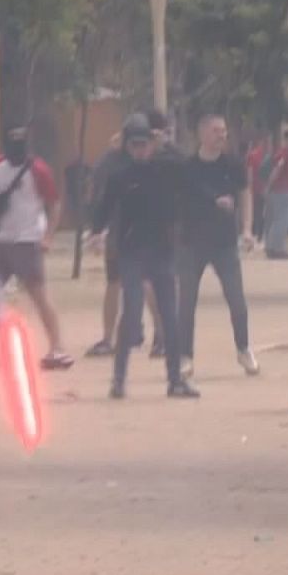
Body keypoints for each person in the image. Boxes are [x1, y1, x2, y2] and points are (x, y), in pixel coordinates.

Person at [89, 115, 198, 400]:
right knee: (132, 313)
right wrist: (96, 232)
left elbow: (188, 168)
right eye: (134, 145)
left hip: (162, 251)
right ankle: (119, 379)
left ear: (152, 144)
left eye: (144, 144)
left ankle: (175, 380)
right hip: (131, 251)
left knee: (170, 318)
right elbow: (102, 208)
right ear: (127, 146)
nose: (139, 150)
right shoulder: (120, 175)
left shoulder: (166, 169)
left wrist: (167, 145)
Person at [178, 113, 260, 379]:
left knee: (237, 300)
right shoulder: (188, 167)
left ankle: (244, 349)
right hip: (191, 243)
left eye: (224, 131)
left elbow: (245, 194)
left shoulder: (233, 164)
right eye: (216, 131)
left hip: (224, 243)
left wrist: (247, 228)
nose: (221, 135)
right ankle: (185, 356)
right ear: (202, 134)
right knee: (186, 302)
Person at [0, 126, 73, 369]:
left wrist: (48, 236)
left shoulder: (38, 170)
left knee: (39, 296)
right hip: (1, 240)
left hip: (27, 240)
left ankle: (57, 348)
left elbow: (54, 203)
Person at [261, 127, 288, 259]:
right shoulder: (285, 153)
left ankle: (271, 247)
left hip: (277, 190)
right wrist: (269, 185)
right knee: (282, 221)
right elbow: (277, 170)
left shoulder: (280, 152)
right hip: (282, 191)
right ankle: (277, 249)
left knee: (277, 220)